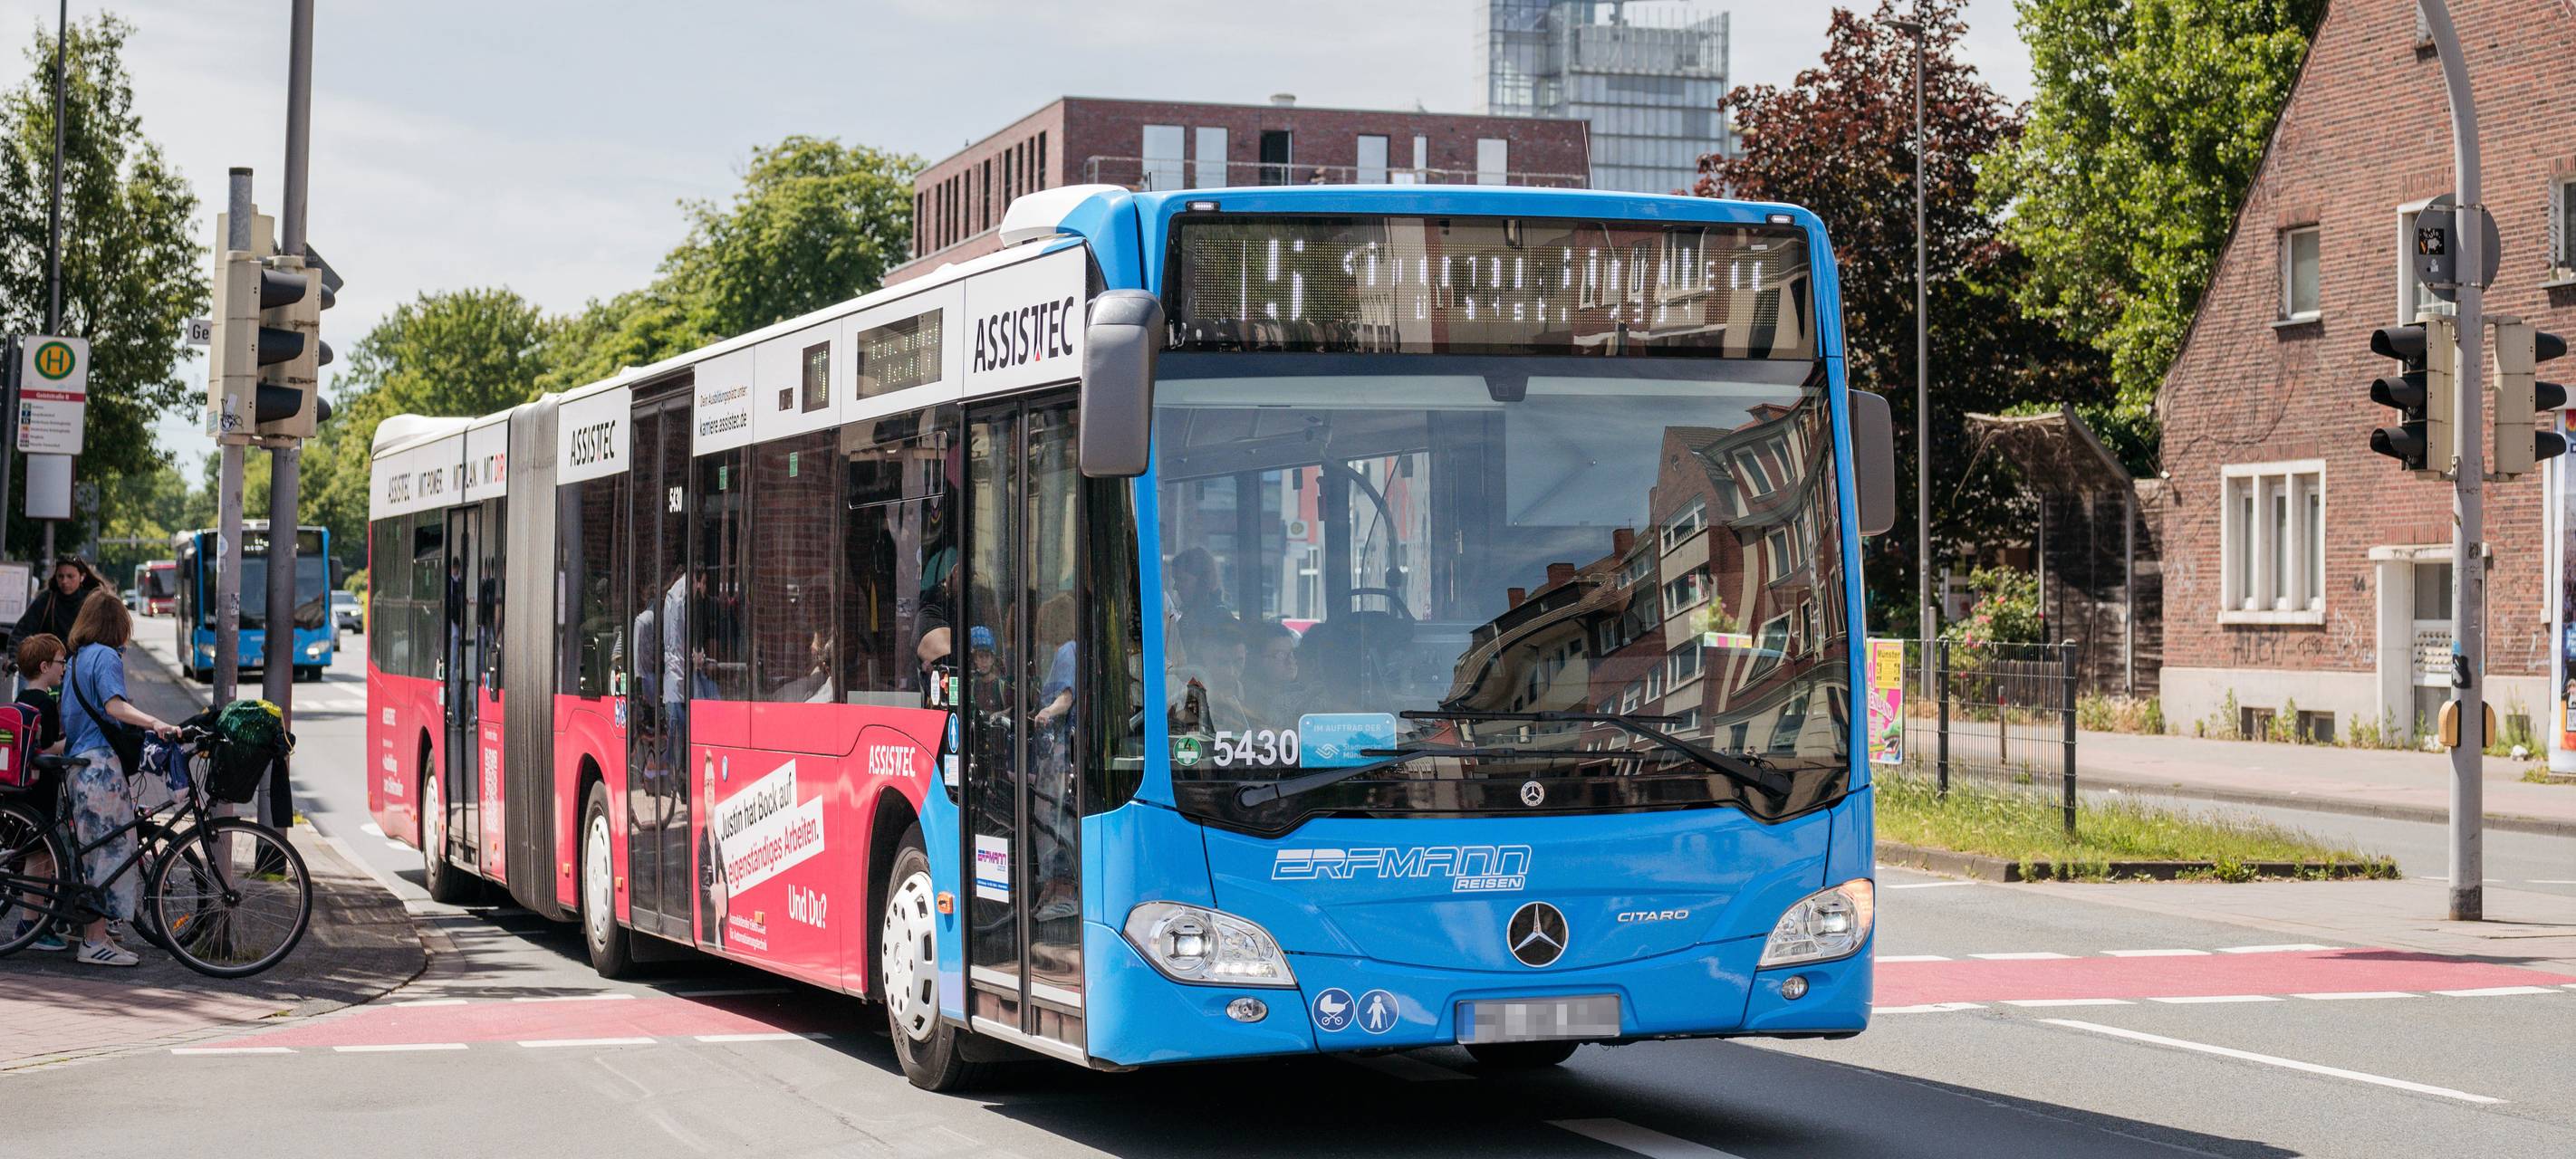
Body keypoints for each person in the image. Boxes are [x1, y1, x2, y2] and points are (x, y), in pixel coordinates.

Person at [59, 596, 180, 968]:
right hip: (100, 769)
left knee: (91, 853)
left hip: (78, 765)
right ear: (118, 625)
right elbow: (114, 706)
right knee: (110, 854)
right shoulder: (106, 656)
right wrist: (155, 722)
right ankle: (95, 942)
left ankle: (94, 935)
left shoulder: (76, 659)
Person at [8, 634, 69, 952]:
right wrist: (70, 742)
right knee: (39, 855)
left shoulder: (22, 696)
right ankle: (30, 924)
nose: (63, 668)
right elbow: (46, 748)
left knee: (41, 854)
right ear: (45, 666)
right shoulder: (45, 703)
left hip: (23, 787)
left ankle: (34, 922)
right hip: (41, 788)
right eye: (60, 662)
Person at [14, 556, 102, 655]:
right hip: (51, 660)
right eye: (60, 576)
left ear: (82, 577)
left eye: (70, 576)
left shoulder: (92, 602)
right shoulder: (46, 600)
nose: (64, 581)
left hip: (83, 660)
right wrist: (15, 658)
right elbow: (21, 632)